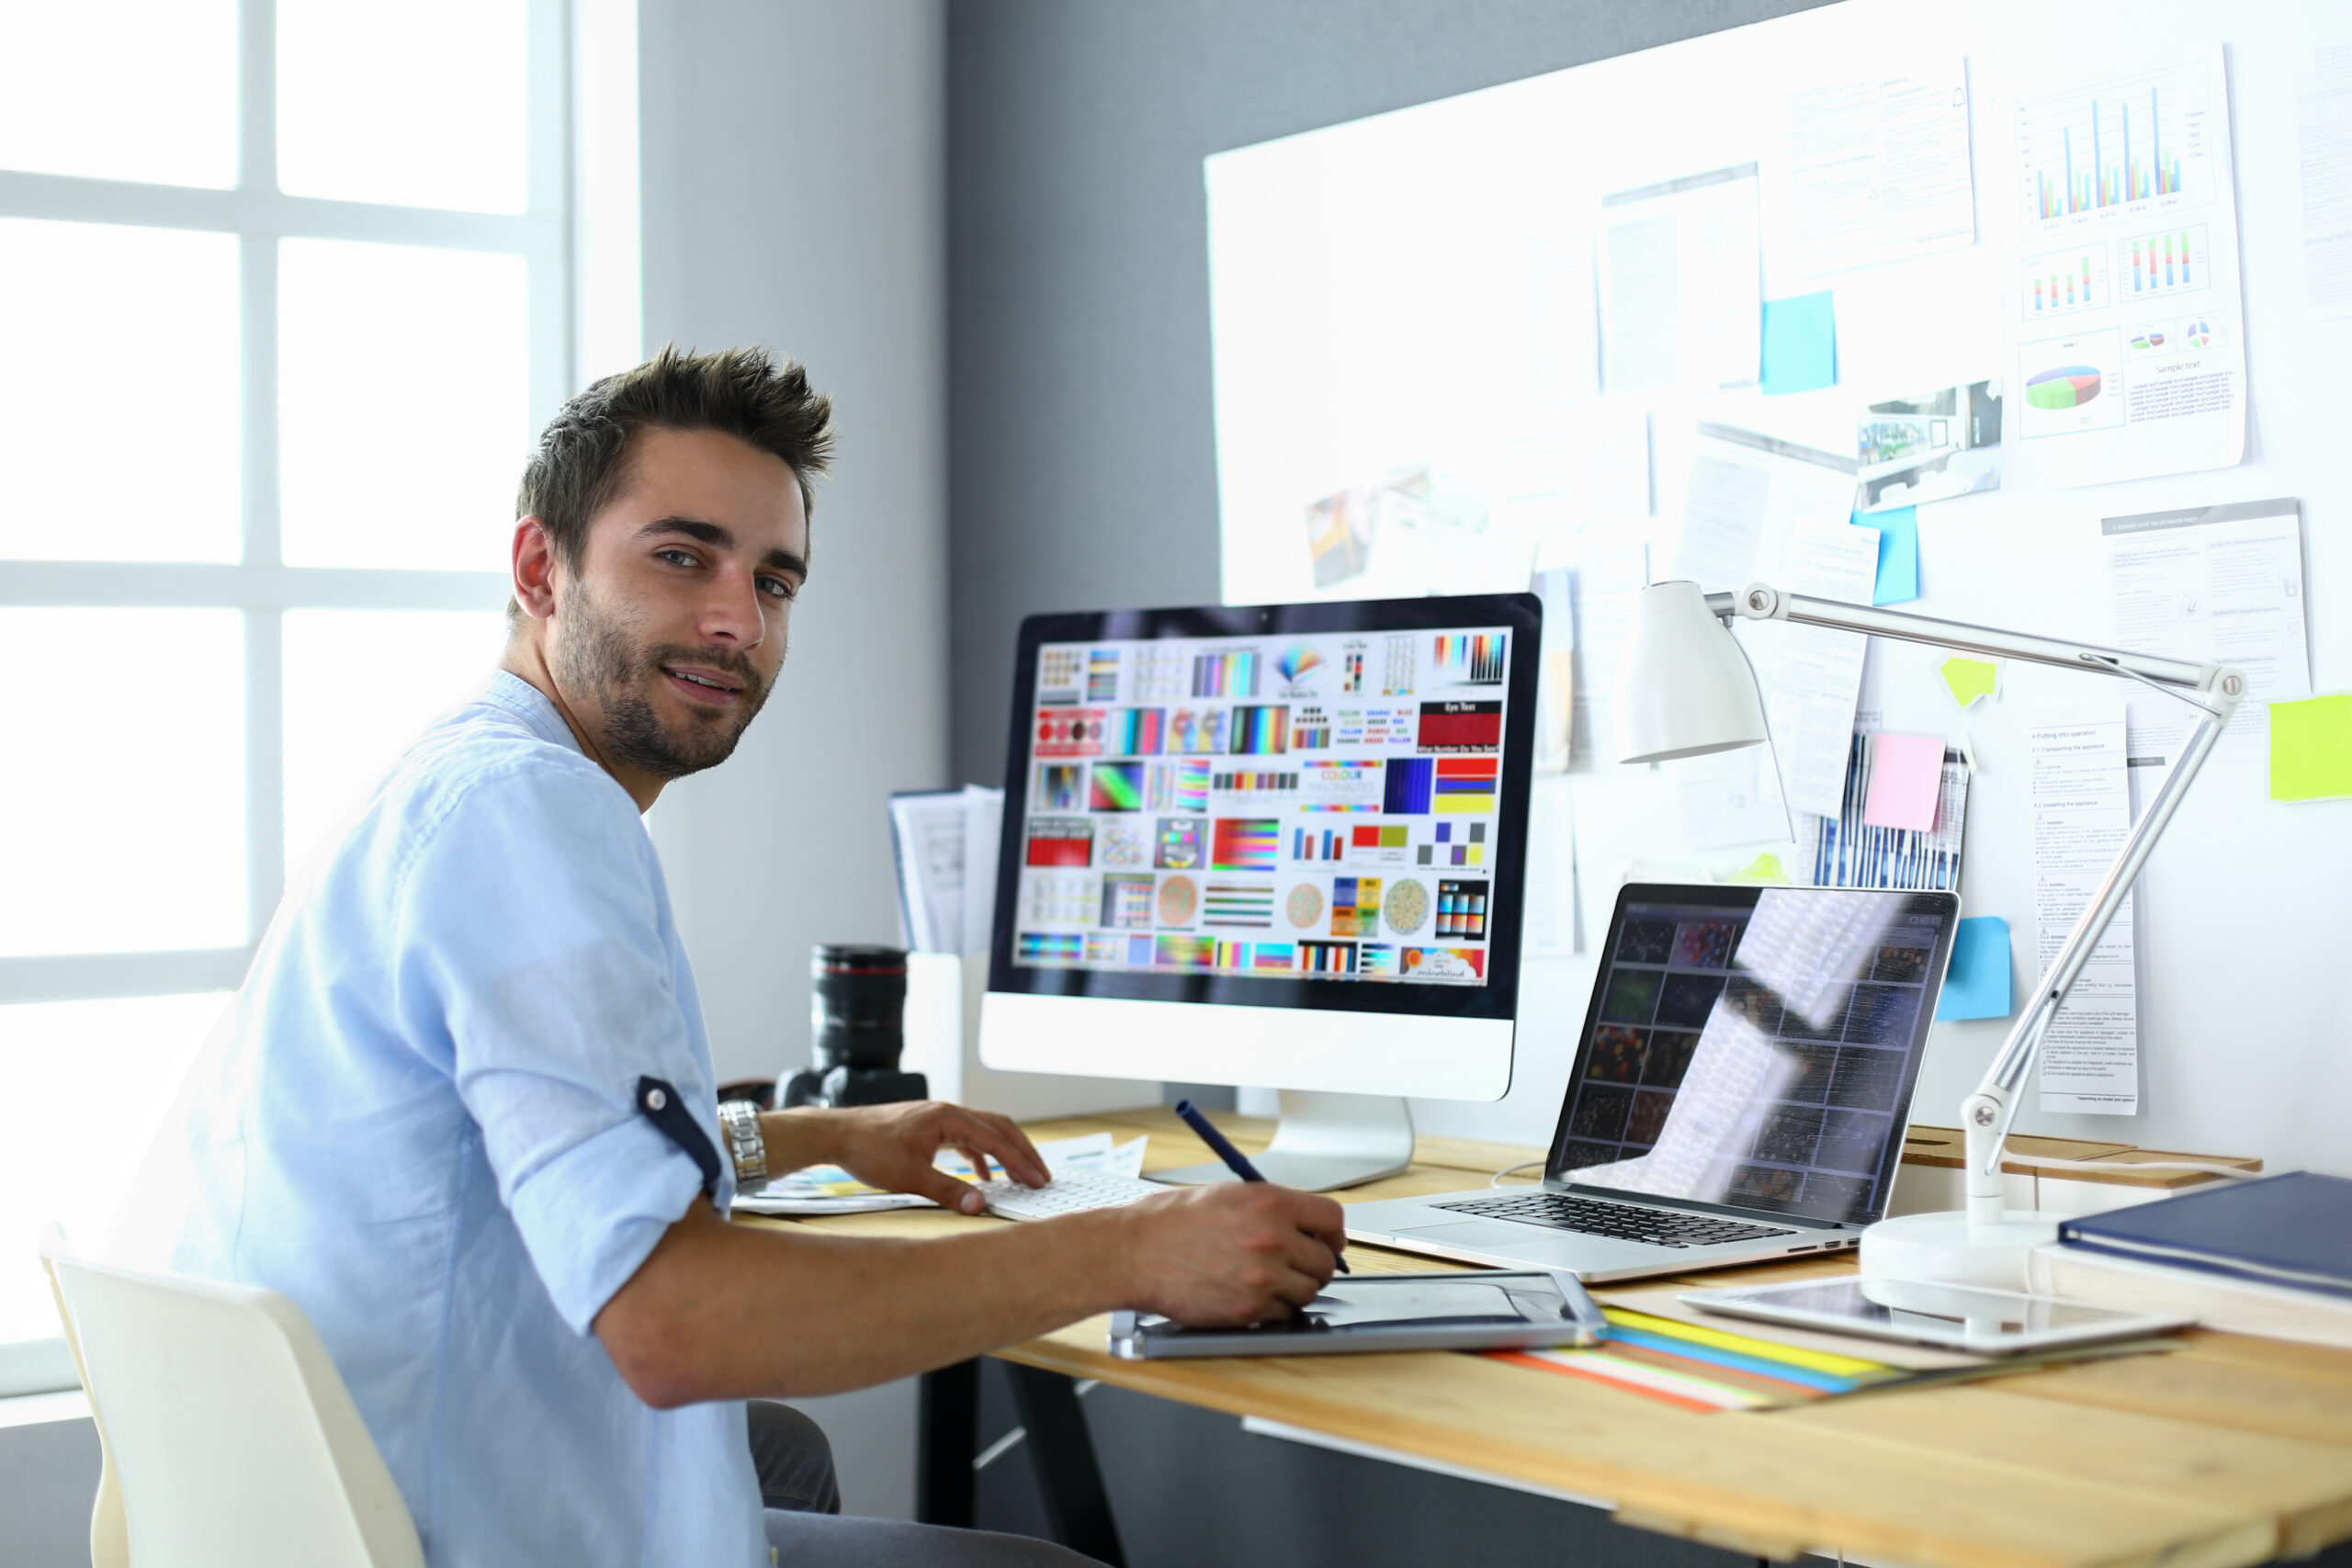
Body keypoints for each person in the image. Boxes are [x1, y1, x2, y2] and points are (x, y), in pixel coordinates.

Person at [170, 345, 1348, 1568]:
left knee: (781, 1453)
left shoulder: (455, 777)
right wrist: (1133, 1249)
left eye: (774, 580)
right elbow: (674, 1328)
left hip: (321, 1484)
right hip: (447, 1522)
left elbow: (494, 1147)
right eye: (682, 557)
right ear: (540, 569)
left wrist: (815, 1138)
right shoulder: (532, 812)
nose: (738, 621)